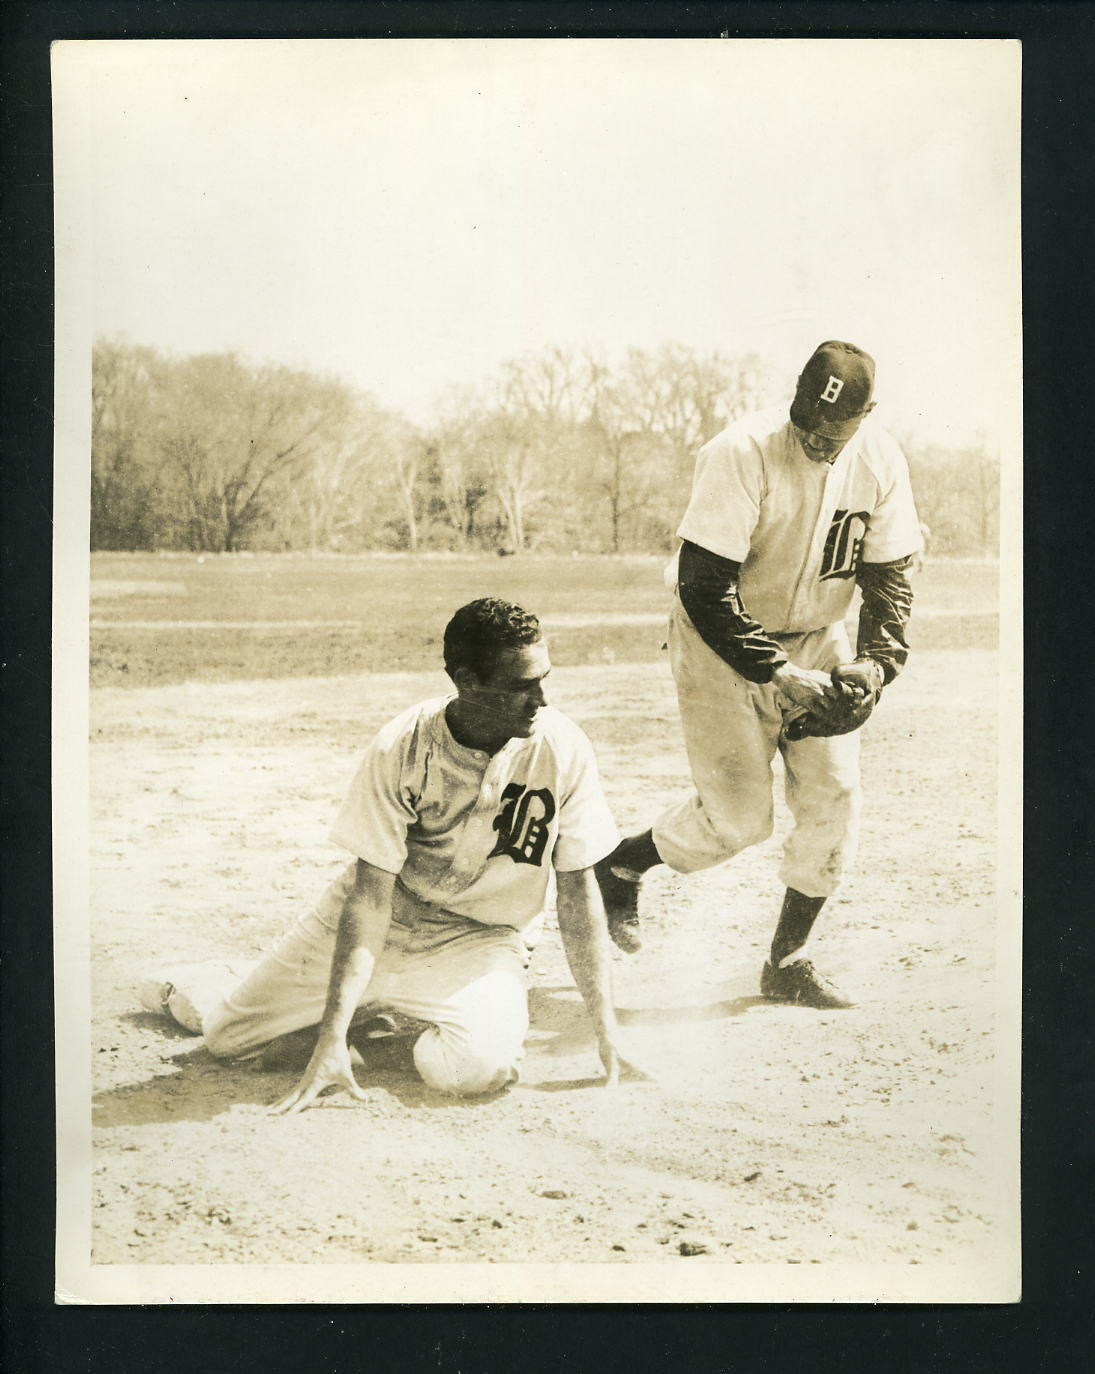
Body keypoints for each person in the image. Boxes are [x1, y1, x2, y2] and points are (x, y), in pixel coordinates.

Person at [202, 597, 642, 1110]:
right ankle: (216, 979)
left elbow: (577, 889)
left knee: (478, 1069)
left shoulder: (562, 748)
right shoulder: (402, 746)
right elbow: (368, 900)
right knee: (226, 1040)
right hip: (384, 917)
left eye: (543, 679)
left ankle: (373, 1033)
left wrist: (604, 1028)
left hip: (478, 941)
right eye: (521, 685)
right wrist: (327, 1041)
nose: (540, 699)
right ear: (466, 679)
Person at [596, 341, 920, 1008]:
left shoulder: (880, 458)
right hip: (720, 642)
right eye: (807, 420)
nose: (815, 437)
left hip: (818, 634)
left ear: (865, 414)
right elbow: (704, 586)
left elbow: (889, 577)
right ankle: (622, 863)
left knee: (835, 801)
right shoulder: (739, 450)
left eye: (833, 429)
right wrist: (775, 672)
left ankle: (787, 961)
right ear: (795, 399)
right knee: (738, 822)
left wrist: (875, 665)